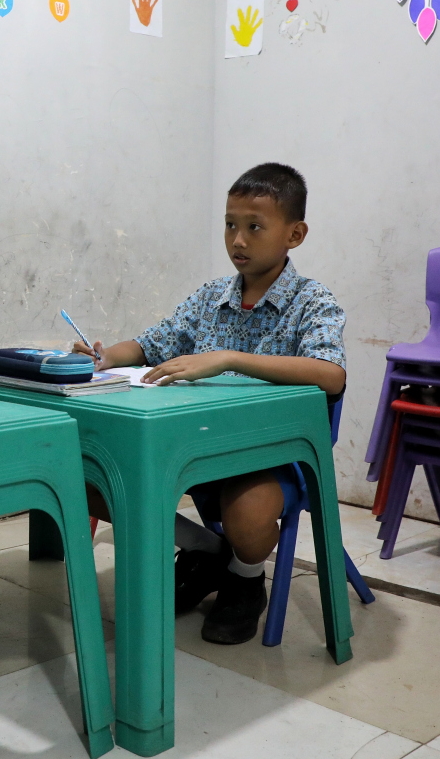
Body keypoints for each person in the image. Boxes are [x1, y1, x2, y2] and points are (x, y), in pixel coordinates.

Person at [73, 162, 346, 645]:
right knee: (92, 479)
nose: (238, 240)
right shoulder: (210, 298)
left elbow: (330, 374)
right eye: (230, 225)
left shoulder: (313, 301)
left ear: (295, 234)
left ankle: (245, 576)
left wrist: (226, 358)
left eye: (254, 227)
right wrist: (99, 358)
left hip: (271, 452)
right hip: (197, 444)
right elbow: (148, 344)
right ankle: (209, 550)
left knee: (249, 508)